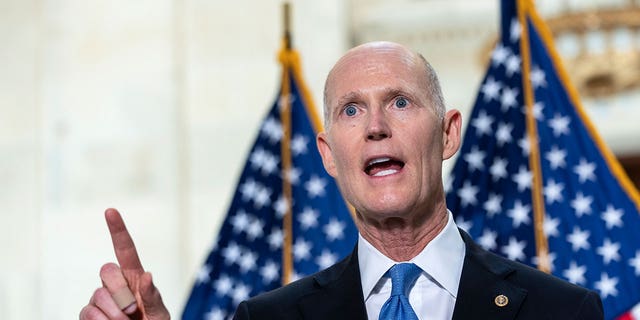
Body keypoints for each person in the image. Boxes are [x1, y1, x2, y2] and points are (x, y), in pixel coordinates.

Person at [80, 41, 603, 320]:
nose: (376, 126)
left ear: (448, 135)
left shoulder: (563, 311)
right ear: (329, 155)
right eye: (351, 110)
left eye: (400, 102)